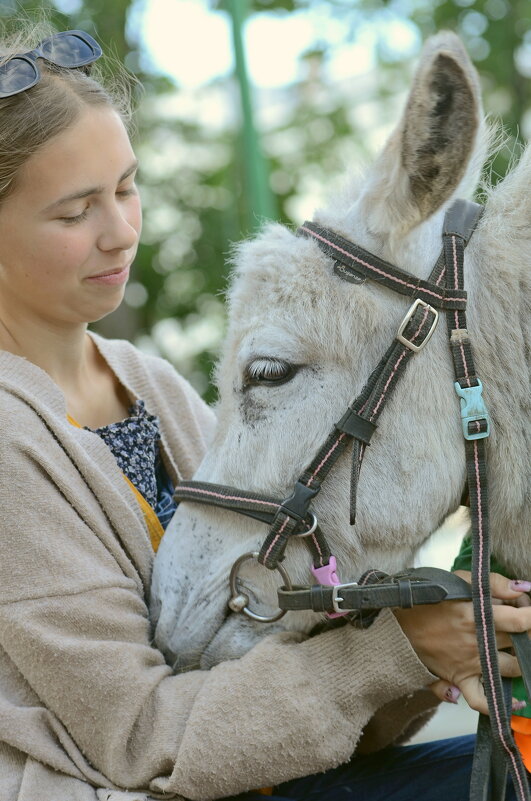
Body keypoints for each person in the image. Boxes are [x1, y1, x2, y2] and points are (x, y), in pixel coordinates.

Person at [0, 23, 528, 801]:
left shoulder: (152, 383)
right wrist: (399, 650)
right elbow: (143, 740)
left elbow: (305, 706)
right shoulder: (10, 443)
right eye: (76, 211)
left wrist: (445, 639)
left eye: (125, 187)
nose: (119, 232)